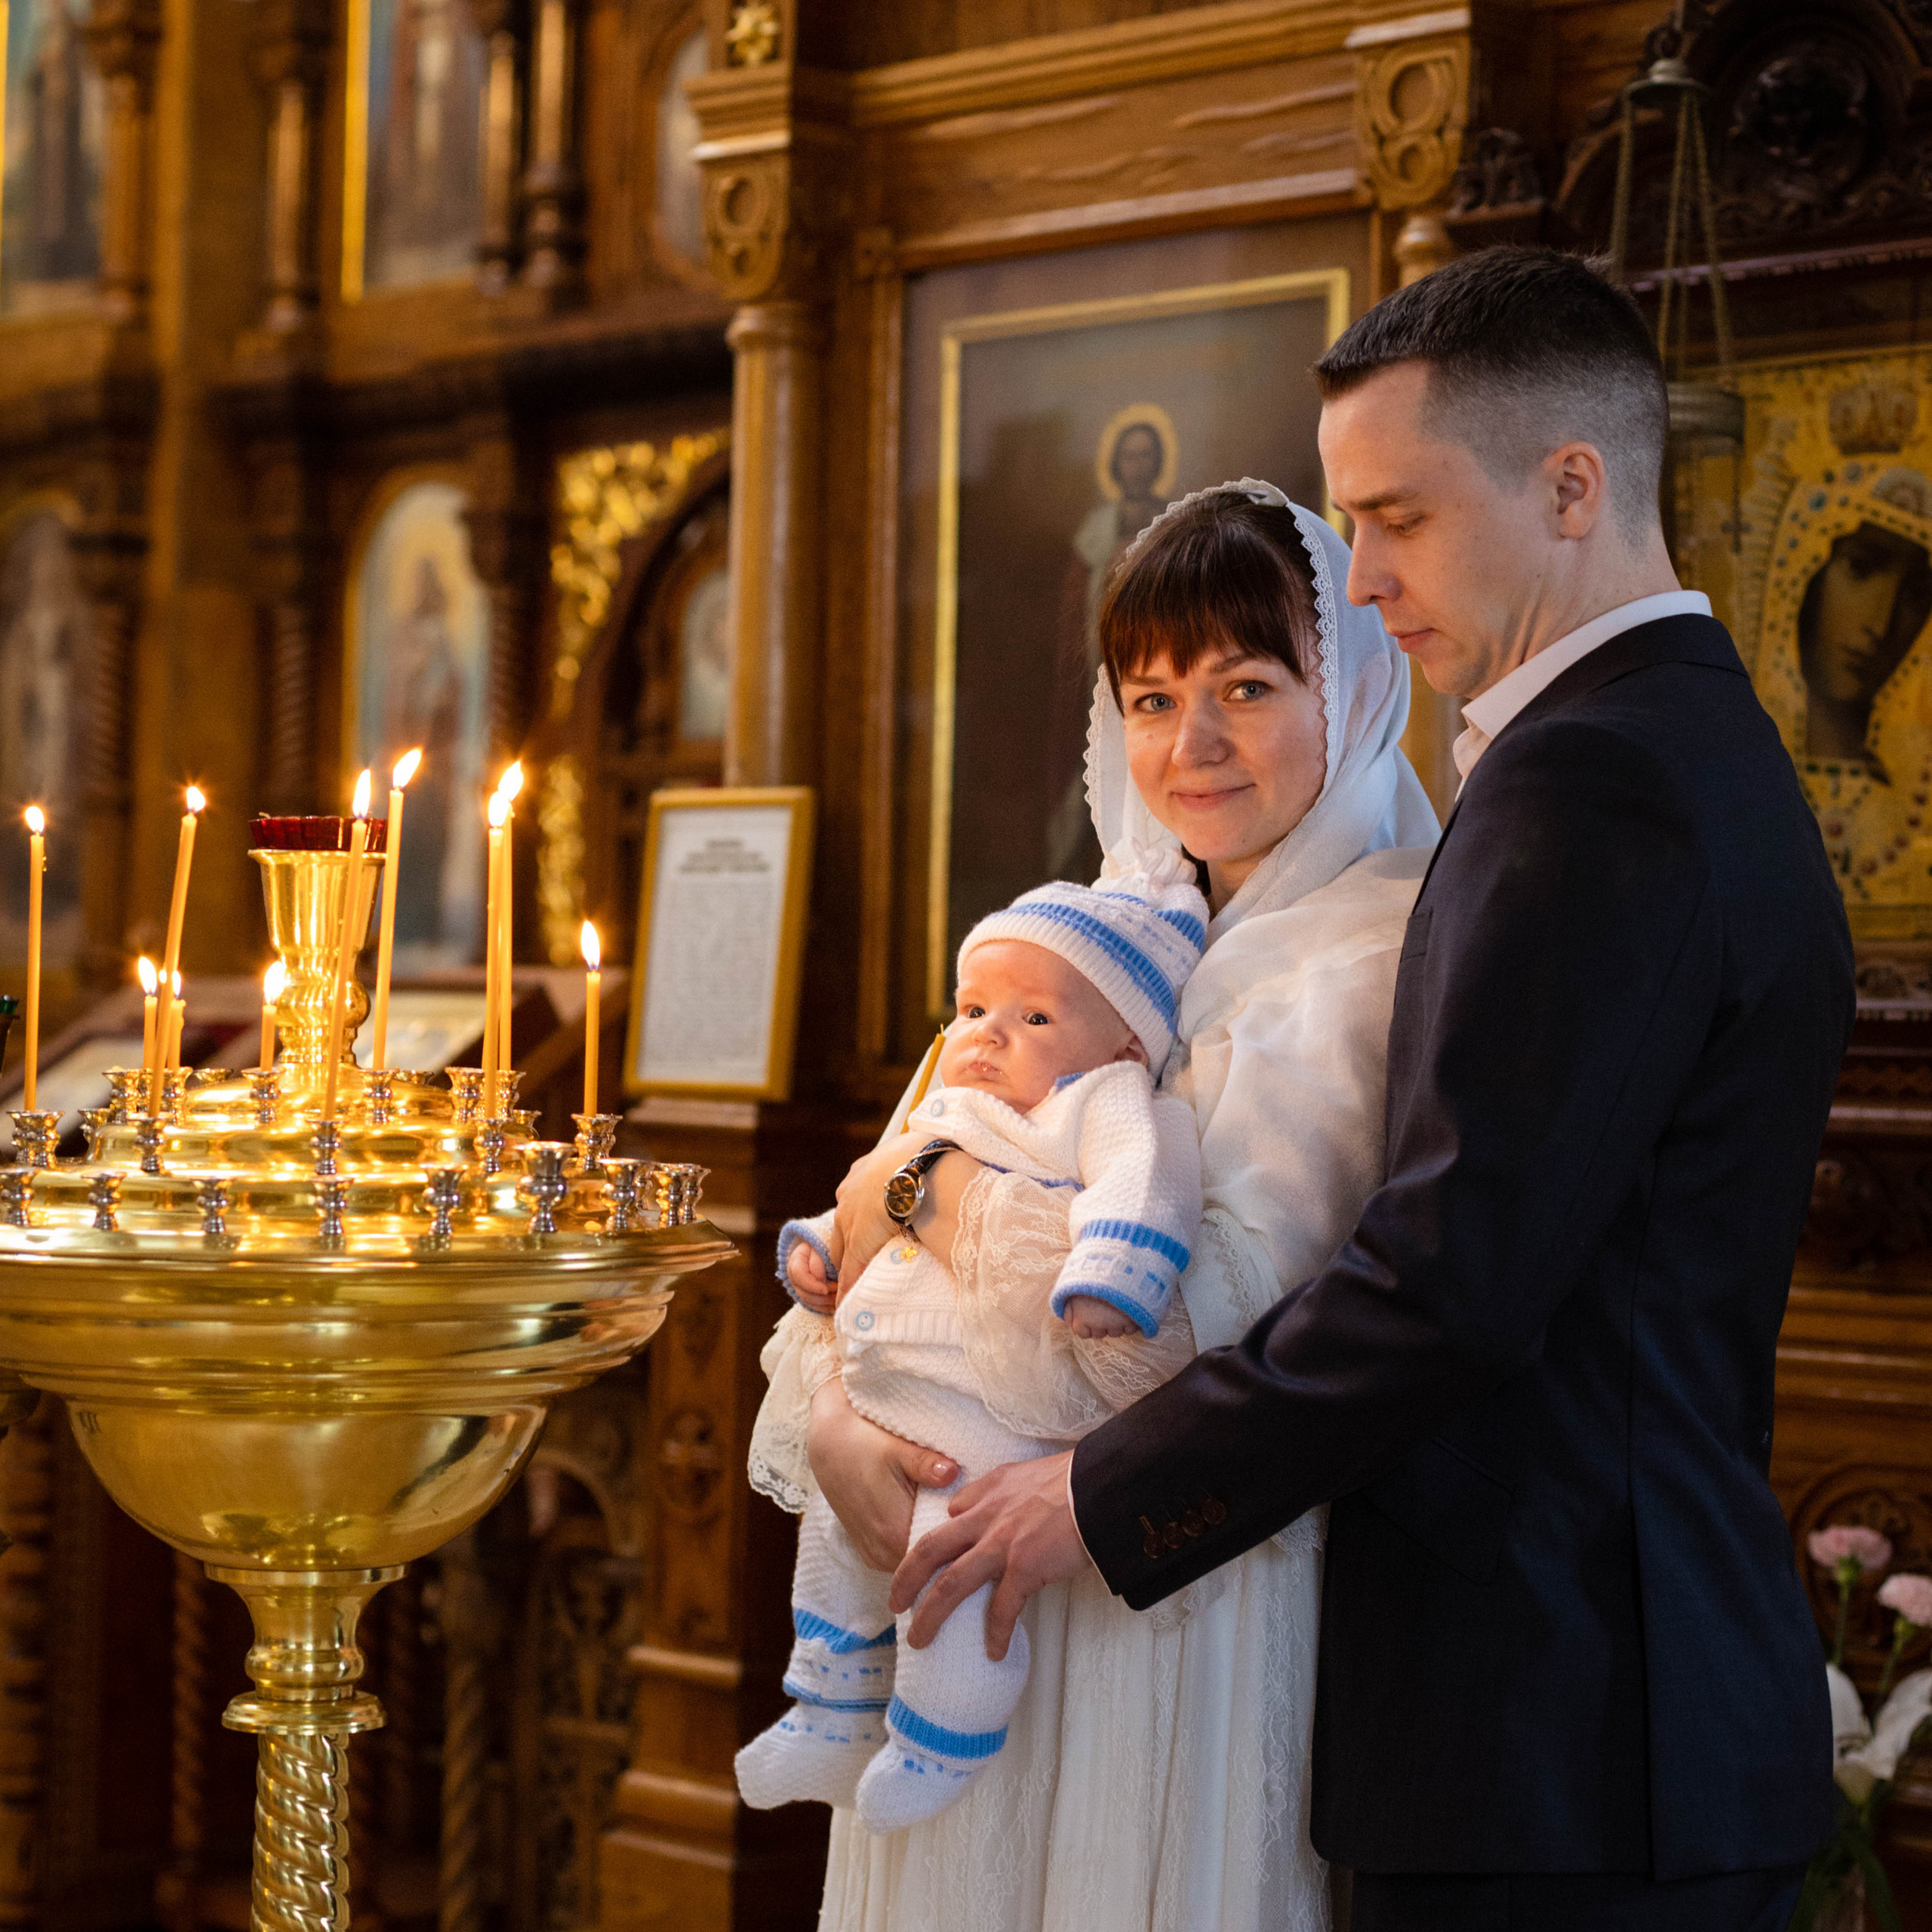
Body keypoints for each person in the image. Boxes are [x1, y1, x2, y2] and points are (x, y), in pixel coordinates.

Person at [882, 248, 1856, 1932]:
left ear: (1570, 485)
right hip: (1582, 1706)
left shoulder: (1596, 779)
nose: (1363, 570)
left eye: (1396, 517)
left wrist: (1095, 1497)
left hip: (1555, 1723)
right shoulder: (1663, 736)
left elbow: (1448, 1278)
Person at [783, 480, 1435, 1928]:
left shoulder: (1382, 954)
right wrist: (839, 1417)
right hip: (961, 1565)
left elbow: (1174, 1340)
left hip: (1170, 1596)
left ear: (1360, 684)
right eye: (1150, 698)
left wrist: (933, 1194)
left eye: (1247, 687)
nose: (1190, 744)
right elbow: (853, 1241)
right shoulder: (1083, 943)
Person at [737, 860, 1206, 1832]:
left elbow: (1140, 1184)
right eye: (975, 1009)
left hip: (989, 1406)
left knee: (948, 1555)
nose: (988, 1035)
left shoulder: (1102, 1103)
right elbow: (865, 1197)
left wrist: (1113, 1272)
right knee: (832, 1543)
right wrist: (821, 1252)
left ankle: (948, 1726)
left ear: (1120, 1042)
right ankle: (828, 1704)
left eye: (1034, 1019)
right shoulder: (949, 1108)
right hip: (888, 1388)